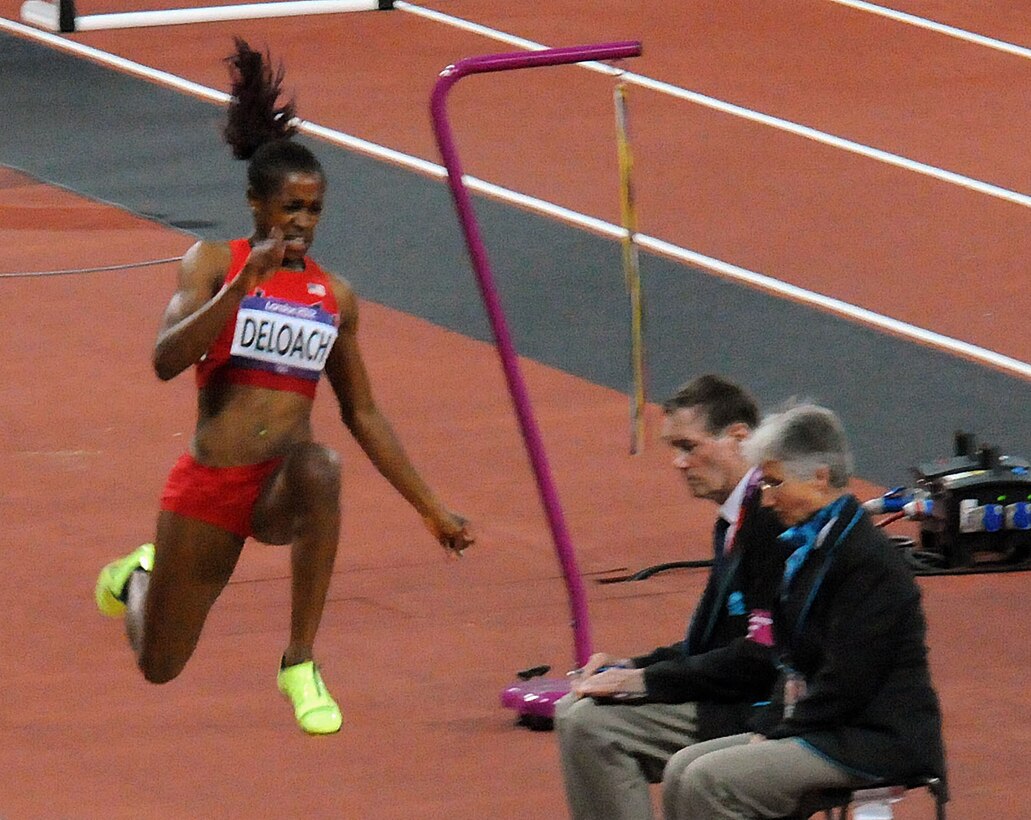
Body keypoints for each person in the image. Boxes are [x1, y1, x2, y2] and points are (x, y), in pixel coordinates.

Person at [93, 38, 474, 736]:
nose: (300, 223)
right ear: (256, 204)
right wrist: (241, 288)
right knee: (159, 663)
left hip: (277, 486)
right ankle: (139, 576)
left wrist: (430, 507)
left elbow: (361, 412)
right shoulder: (212, 263)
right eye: (289, 209)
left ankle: (299, 659)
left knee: (321, 466)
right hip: (212, 484)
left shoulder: (334, 296)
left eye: (313, 210)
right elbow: (165, 359)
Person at [662, 404, 945, 819]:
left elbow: (848, 680)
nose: (768, 500)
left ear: (819, 477)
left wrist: (779, 732)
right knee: (681, 770)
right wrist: (770, 726)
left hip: (875, 736)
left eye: (775, 483)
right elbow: (790, 662)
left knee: (711, 779)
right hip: (828, 723)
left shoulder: (870, 562)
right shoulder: (808, 548)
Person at [555, 375, 789, 820]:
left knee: (589, 725)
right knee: (577, 709)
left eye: (688, 446)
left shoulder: (770, 519)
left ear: (738, 438)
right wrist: (633, 667)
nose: (679, 464)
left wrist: (648, 682)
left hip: (759, 709)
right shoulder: (733, 519)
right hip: (731, 692)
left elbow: (763, 657)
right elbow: (712, 644)